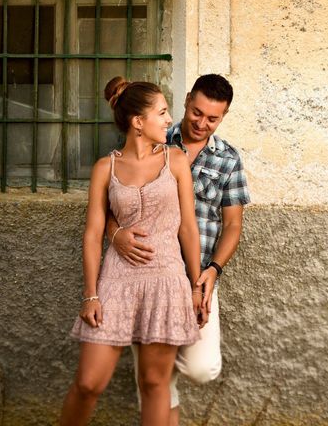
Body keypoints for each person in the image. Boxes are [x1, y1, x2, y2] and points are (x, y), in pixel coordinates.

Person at [60, 77, 206, 426]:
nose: (169, 120)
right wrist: (90, 294)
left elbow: (188, 228)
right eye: (162, 112)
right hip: (116, 280)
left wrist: (196, 284)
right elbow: (94, 233)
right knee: (87, 383)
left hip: (167, 279)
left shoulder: (176, 162)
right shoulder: (104, 168)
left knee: (155, 383)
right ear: (137, 122)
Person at [107, 74, 251, 425]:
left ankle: (162, 357)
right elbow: (110, 206)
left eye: (212, 118)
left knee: (202, 367)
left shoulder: (228, 159)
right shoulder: (153, 135)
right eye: (196, 112)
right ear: (186, 101)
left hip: (197, 275)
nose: (201, 123)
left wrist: (211, 273)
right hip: (148, 272)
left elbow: (233, 225)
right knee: (154, 383)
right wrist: (116, 235)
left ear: (224, 116)